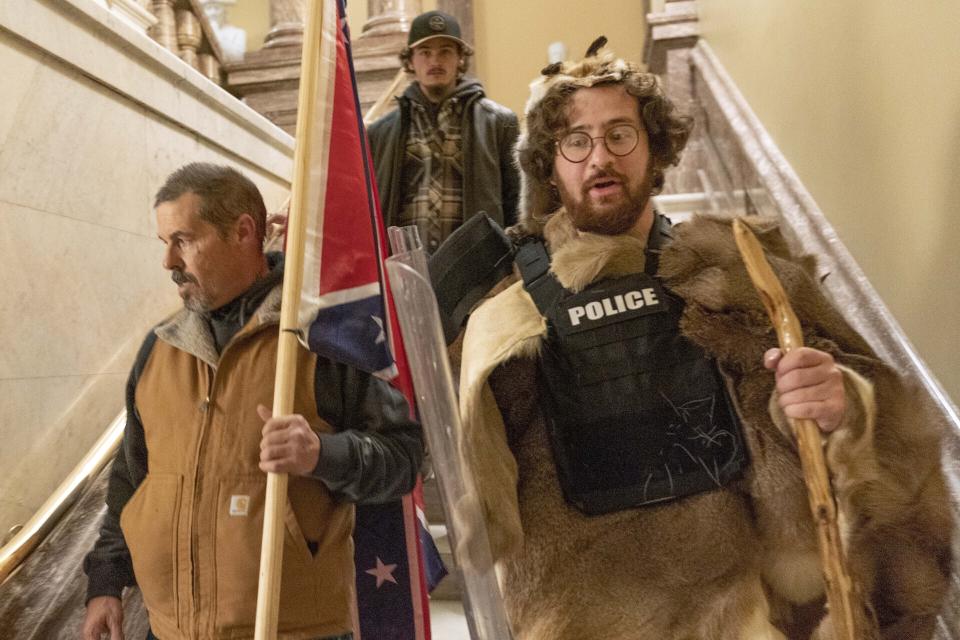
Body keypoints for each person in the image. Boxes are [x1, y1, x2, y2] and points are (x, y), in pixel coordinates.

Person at [452, 41, 951, 639]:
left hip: (743, 615)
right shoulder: (505, 310)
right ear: (550, 164)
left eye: (620, 134)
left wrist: (842, 404)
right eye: (576, 141)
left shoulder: (747, 274)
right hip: (584, 614)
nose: (598, 159)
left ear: (655, 147)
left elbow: (884, 421)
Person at [81, 163, 423, 640]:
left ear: (243, 231)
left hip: (293, 631)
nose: (169, 263)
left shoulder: (324, 338)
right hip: (170, 630)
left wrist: (322, 454)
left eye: (184, 240)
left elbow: (405, 459)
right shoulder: (159, 349)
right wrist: (106, 582)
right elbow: (132, 479)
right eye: (165, 243)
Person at [367, 10, 519, 254]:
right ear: (410, 61)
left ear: (460, 57)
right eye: (425, 52)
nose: (435, 61)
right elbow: (363, 209)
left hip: (477, 271)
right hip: (403, 270)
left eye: (445, 51)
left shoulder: (500, 122)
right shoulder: (380, 133)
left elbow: (517, 203)